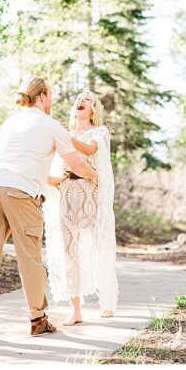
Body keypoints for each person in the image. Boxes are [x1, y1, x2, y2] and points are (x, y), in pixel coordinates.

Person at [0, 77, 98, 343]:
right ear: (41, 96)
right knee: (29, 258)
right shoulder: (51, 125)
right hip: (20, 192)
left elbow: (23, 158)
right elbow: (74, 162)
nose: (52, 101)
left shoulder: (10, 122)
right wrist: (95, 177)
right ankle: (38, 320)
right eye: (50, 95)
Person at [42, 90, 118, 326]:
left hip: (91, 194)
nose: (81, 103)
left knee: (100, 246)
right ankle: (76, 311)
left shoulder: (99, 132)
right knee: (69, 251)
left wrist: (64, 136)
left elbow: (88, 150)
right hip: (67, 193)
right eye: (78, 101)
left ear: (93, 110)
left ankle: (107, 301)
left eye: (87, 101)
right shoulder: (65, 133)